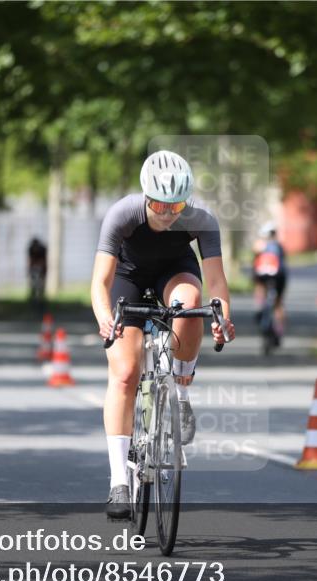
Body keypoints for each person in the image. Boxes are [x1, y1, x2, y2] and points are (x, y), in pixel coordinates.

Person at [91, 150, 236, 519]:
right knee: (125, 372)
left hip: (175, 271)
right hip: (128, 277)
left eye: (176, 205)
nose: (168, 213)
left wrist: (222, 318)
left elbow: (216, 280)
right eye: (158, 203)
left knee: (191, 304)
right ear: (145, 196)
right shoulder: (123, 214)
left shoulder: (201, 219)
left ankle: (181, 392)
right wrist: (106, 316)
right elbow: (100, 281)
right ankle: (118, 481)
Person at [251, 223, 287, 344]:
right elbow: (283, 264)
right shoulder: (279, 246)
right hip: (279, 276)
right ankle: (279, 331)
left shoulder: (260, 244)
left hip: (262, 276)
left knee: (259, 286)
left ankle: (259, 307)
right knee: (278, 302)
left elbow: (255, 259)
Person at [27, 237, 47, 305]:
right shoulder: (31, 249)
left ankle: (40, 300)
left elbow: (43, 261)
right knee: (34, 285)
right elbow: (30, 260)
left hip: (41, 268)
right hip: (35, 268)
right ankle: (34, 299)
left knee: (40, 285)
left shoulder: (42, 249)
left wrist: (42, 269)